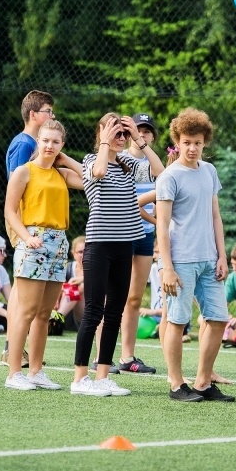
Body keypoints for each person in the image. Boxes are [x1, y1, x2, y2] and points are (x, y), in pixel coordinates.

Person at [69, 113, 162, 396]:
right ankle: (80, 378)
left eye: (123, 135)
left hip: (125, 244)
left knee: (114, 313)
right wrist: (106, 142)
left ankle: (103, 375)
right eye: (116, 133)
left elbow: (160, 172)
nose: (121, 139)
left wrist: (138, 138)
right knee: (94, 312)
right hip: (99, 246)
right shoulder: (90, 160)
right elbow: (98, 172)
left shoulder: (129, 163)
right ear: (101, 134)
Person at [156, 107, 235, 402]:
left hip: (209, 260)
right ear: (177, 140)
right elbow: (161, 226)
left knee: (218, 318)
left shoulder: (209, 172)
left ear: (205, 143)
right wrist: (167, 267)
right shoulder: (169, 176)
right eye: (187, 142)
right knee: (177, 321)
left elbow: (216, 217)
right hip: (180, 261)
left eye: (198, 143)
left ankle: (203, 382)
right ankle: (177, 384)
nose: (192, 148)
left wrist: (222, 256)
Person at [4, 119, 83, 391]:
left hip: (59, 242)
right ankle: (15, 372)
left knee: (44, 313)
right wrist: (27, 238)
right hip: (33, 241)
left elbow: (92, 177)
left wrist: (65, 159)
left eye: (56, 142)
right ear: (38, 141)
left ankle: (36, 371)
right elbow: (10, 211)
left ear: (62, 144)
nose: (49, 146)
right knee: (25, 311)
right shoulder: (24, 172)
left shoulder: (61, 173)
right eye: (46, 140)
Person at [1, 90, 55, 368]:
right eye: (48, 112)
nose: (51, 117)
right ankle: (13, 349)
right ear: (34, 115)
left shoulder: (32, 142)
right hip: (25, 223)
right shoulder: (25, 143)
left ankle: (14, 348)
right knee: (23, 296)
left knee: (23, 295)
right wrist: (23, 230)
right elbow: (18, 186)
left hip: (28, 224)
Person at [118, 112, 164, 375]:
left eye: (146, 131)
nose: (142, 134)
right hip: (120, 233)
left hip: (145, 236)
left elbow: (162, 199)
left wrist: (158, 227)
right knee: (112, 296)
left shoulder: (153, 164)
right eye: (138, 130)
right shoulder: (118, 158)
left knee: (134, 297)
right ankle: (103, 357)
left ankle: (127, 357)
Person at [57, 235, 85, 331]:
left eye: (87, 251)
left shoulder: (96, 270)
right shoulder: (67, 268)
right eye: (80, 252)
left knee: (81, 287)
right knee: (70, 287)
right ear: (74, 253)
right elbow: (56, 287)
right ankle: (57, 319)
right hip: (68, 313)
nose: (84, 255)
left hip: (86, 315)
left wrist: (83, 279)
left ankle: (56, 319)